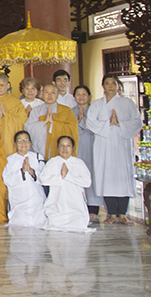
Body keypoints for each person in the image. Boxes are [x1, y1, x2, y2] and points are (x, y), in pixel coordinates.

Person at [86, 74, 142, 225]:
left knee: (123, 177)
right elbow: (90, 122)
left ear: (118, 86)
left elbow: (137, 122)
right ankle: (111, 213)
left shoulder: (127, 103)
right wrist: (107, 124)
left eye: (113, 83)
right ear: (103, 86)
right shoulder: (97, 105)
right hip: (103, 145)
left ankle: (122, 214)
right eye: (107, 83)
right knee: (107, 177)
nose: (110, 86)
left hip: (122, 145)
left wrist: (120, 124)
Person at [40, 136, 93, 233]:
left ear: (73, 148)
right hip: (56, 204)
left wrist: (68, 176)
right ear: (57, 148)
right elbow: (43, 180)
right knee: (54, 223)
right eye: (62, 146)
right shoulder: (52, 162)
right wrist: (60, 177)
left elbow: (87, 182)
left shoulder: (79, 163)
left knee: (78, 223)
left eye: (68, 146)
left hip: (76, 206)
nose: (65, 148)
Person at [2, 130, 47, 228]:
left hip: (36, 197)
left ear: (30, 143)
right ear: (15, 144)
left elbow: (45, 177)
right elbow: (7, 179)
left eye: (26, 140)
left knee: (39, 221)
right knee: (20, 223)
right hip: (19, 198)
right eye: (20, 141)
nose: (23, 143)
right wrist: (21, 172)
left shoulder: (37, 157)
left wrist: (31, 171)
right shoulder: (9, 160)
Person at [72, 85, 102, 223]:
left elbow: (98, 128)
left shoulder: (95, 111)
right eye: (78, 94)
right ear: (74, 97)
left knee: (92, 175)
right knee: (76, 175)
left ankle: (93, 208)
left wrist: (83, 122)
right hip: (76, 148)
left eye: (84, 94)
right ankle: (78, 206)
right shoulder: (70, 112)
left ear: (89, 96)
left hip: (92, 146)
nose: (81, 97)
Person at [25, 84, 79, 161]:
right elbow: (28, 128)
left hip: (61, 152)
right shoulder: (36, 110)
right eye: (46, 92)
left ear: (57, 95)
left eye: (53, 92)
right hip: (40, 150)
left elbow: (73, 129)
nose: (49, 95)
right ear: (42, 94)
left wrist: (54, 123)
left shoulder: (66, 111)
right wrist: (44, 123)